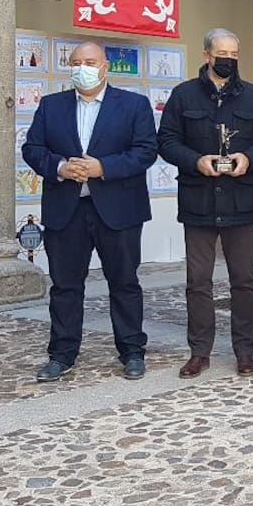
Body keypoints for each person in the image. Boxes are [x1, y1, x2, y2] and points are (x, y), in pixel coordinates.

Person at [21, 41, 157, 382]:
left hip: (118, 209)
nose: (83, 67)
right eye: (77, 61)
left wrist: (102, 167)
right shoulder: (52, 106)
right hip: (66, 209)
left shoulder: (133, 105)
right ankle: (62, 354)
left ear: (105, 66)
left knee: (124, 282)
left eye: (90, 61)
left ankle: (132, 351)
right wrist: (61, 167)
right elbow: (32, 149)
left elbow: (145, 152)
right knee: (65, 286)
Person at [157, 28, 253, 379]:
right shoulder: (183, 95)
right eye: (221, 53)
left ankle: (245, 351)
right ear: (207, 55)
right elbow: (166, 141)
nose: (227, 59)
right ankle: (199, 351)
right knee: (198, 281)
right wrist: (195, 160)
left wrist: (249, 158)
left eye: (233, 54)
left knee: (243, 279)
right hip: (198, 201)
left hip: (241, 201)